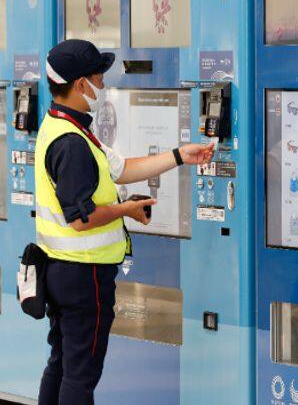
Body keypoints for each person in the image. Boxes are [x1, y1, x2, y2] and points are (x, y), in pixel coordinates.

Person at [36, 39, 214, 405]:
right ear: (81, 84)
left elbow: (123, 170)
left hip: (61, 270)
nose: (103, 87)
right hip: (83, 274)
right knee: (80, 373)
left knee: (63, 362)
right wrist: (126, 211)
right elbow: (81, 219)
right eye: (99, 79)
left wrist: (181, 155)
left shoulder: (65, 126)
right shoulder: (71, 143)